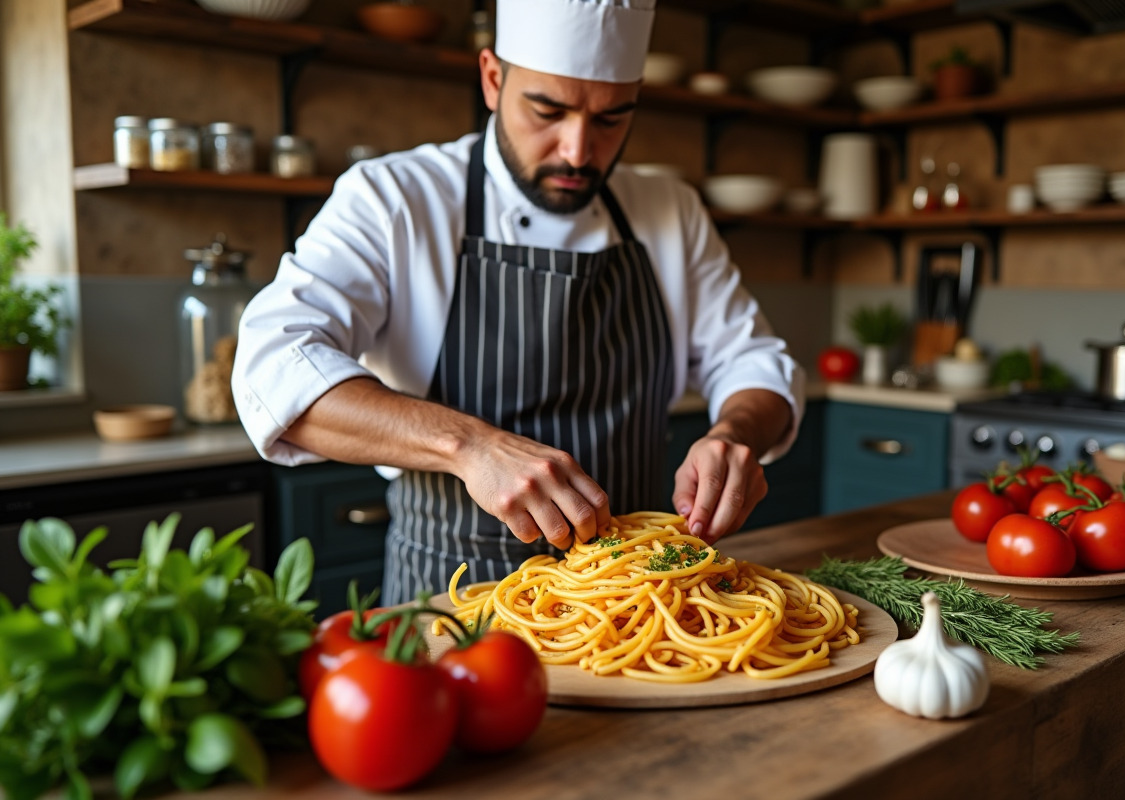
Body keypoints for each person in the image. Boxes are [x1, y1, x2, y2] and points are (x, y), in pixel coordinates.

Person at [231, 0, 803, 604]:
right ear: (493, 79)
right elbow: (274, 366)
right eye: (548, 110)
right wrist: (469, 445)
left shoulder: (670, 211)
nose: (579, 152)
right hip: (451, 596)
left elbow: (753, 362)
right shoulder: (395, 198)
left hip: (632, 599)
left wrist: (734, 433)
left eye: (612, 118)